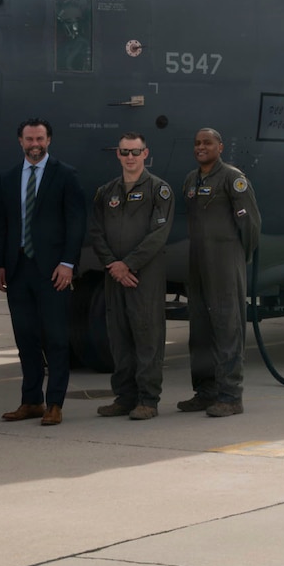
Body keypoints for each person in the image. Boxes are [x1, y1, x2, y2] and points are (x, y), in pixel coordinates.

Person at [0, 118, 86, 425]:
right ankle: (31, 400)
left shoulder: (66, 175)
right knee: (25, 338)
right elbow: (1, 224)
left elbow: (76, 223)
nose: (34, 144)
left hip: (53, 272)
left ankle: (54, 403)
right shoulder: (8, 178)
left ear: (49, 141)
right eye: (29, 139)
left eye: (40, 138)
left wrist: (68, 263)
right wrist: (1, 264)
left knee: (56, 338)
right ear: (20, 141)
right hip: (18, 270)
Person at [88, 132, 175, 421]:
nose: (130, 157)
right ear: (118, 154)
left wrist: (129, 264)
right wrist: (113, 264)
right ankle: (124, 397)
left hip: (144, 277)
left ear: (145, 154)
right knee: (119, 337)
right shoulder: (106, 192)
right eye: (125, 152)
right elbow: (97, 233)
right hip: (115, 276)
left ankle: (148, 399)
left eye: (135, 152)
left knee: (147, 336)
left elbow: (158, 235)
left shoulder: (158, 190)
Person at [178, 127, 260, 418]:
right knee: (200, 328)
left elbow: (250, 225)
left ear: (220, 147)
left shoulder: (232, 179)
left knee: (227, 326)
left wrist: (238, 256)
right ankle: (205, 392)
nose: (201, 147)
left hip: (225, 260)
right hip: (198, 261)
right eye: (197, 143)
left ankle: (230, 396)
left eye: (208, 143)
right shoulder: (191, 180)